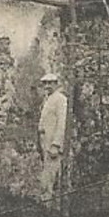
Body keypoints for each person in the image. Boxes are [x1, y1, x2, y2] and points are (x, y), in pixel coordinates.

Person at [36, 70, 69, 201]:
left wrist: (56, 144)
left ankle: (49, 206)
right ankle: (47, 205)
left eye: (50, 83)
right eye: (45, 83)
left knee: (50, 178)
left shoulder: (61, 99)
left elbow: (62, 123)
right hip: (45, 143)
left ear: (56, 84)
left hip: (53, 146)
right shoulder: (49, 99)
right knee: (46, 177)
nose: (47, 86)